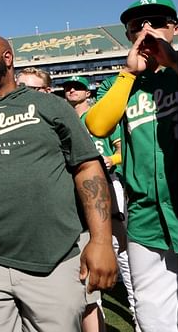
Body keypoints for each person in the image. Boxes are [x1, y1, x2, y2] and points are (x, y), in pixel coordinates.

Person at [0, 34, 117, 332]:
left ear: (7, 58)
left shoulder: (50, 105)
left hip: (54, 258)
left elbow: (87, 168)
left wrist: (102, 240)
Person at [85, 0, 178, 332]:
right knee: (154, 316)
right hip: (145, 216)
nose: (146, 31)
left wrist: (174, 61)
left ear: (175, 28)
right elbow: (96, 125)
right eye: (136, 27)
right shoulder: (121, 85)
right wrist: (127, 74)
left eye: (156, 22)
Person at [62, 76, 137, 331]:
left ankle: (137, 308)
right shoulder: (65, 120)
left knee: (122, 250)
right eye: (68, 87)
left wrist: (111, 159)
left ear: (87, 92)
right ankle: (95, 313)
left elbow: (122, 150)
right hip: (75, 190)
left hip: (107, 183)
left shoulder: (99, 114)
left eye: (78, 86)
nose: (72, 90)